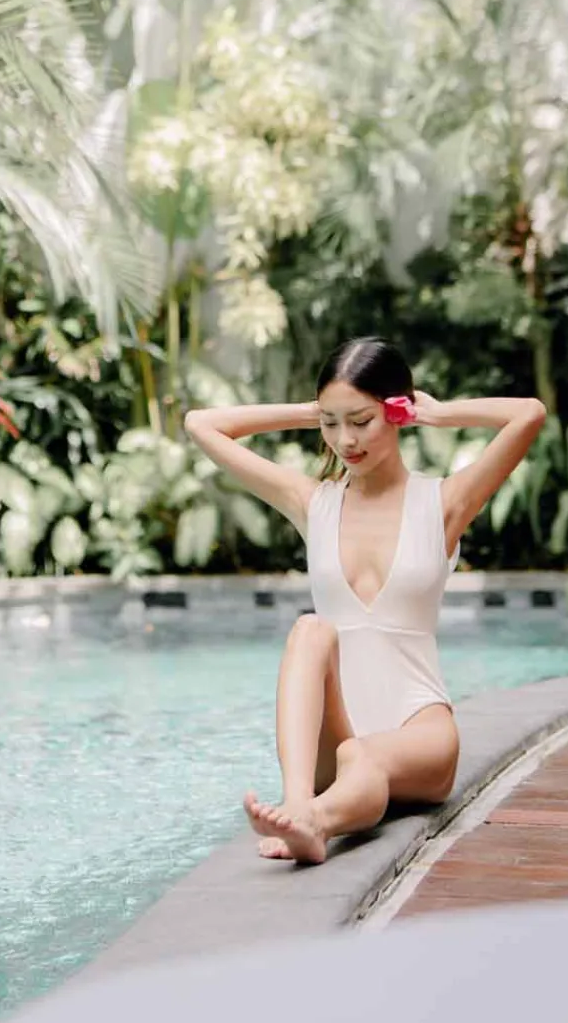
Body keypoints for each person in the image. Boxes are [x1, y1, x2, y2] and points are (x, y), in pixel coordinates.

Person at [184, 338, 546, 866]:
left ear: (397, 412)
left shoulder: (443, 503)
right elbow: (201, 424)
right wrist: (311, 411)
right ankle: (299, 803)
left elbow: (529, 415)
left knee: (365, 757)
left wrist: (438, 414)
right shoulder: (313, 503)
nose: (344, 440)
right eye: (331, 425)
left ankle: (314, 825)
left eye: (360, 421)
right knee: (311, 631)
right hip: (338, 734)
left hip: (418, 731)